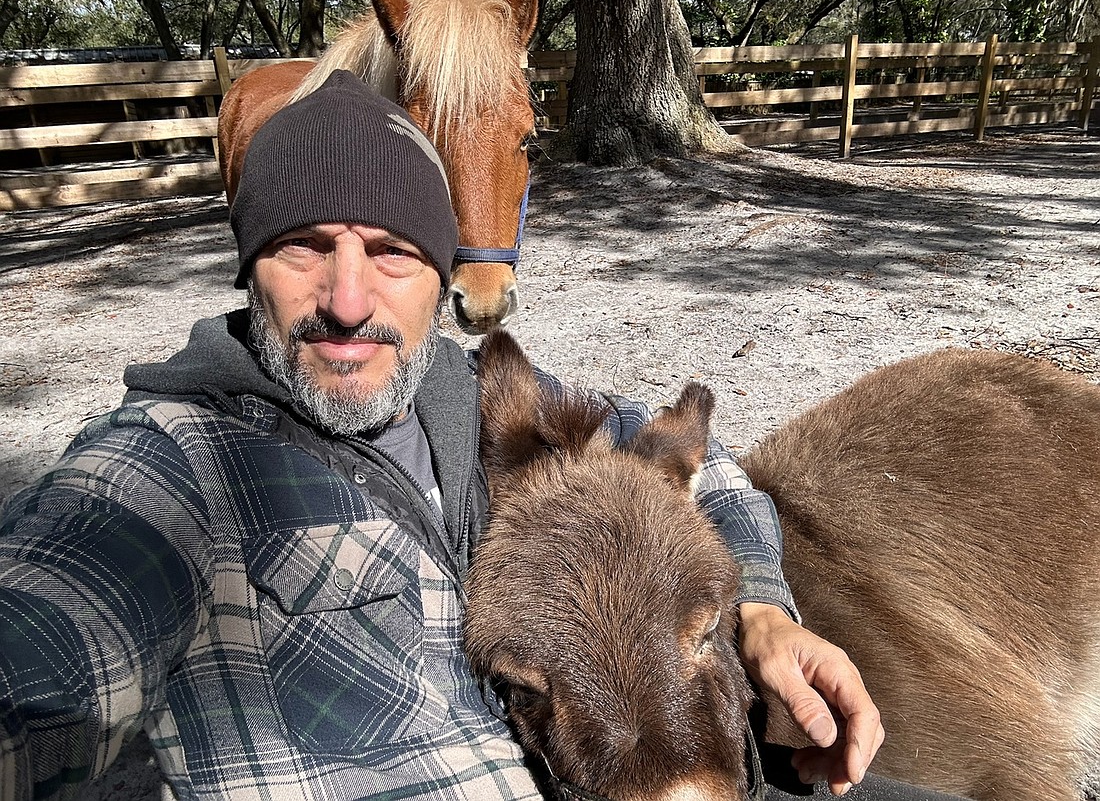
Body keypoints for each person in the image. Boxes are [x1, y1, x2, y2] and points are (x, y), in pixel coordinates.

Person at [0, 70, 954, 801]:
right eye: (304, 246)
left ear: (441, 273)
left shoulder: (471, 396)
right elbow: (44, 646)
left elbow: (707, 472)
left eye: (392, 253)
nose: (347, 300)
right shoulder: (171, 465)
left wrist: (765, 614)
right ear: (249, 264)